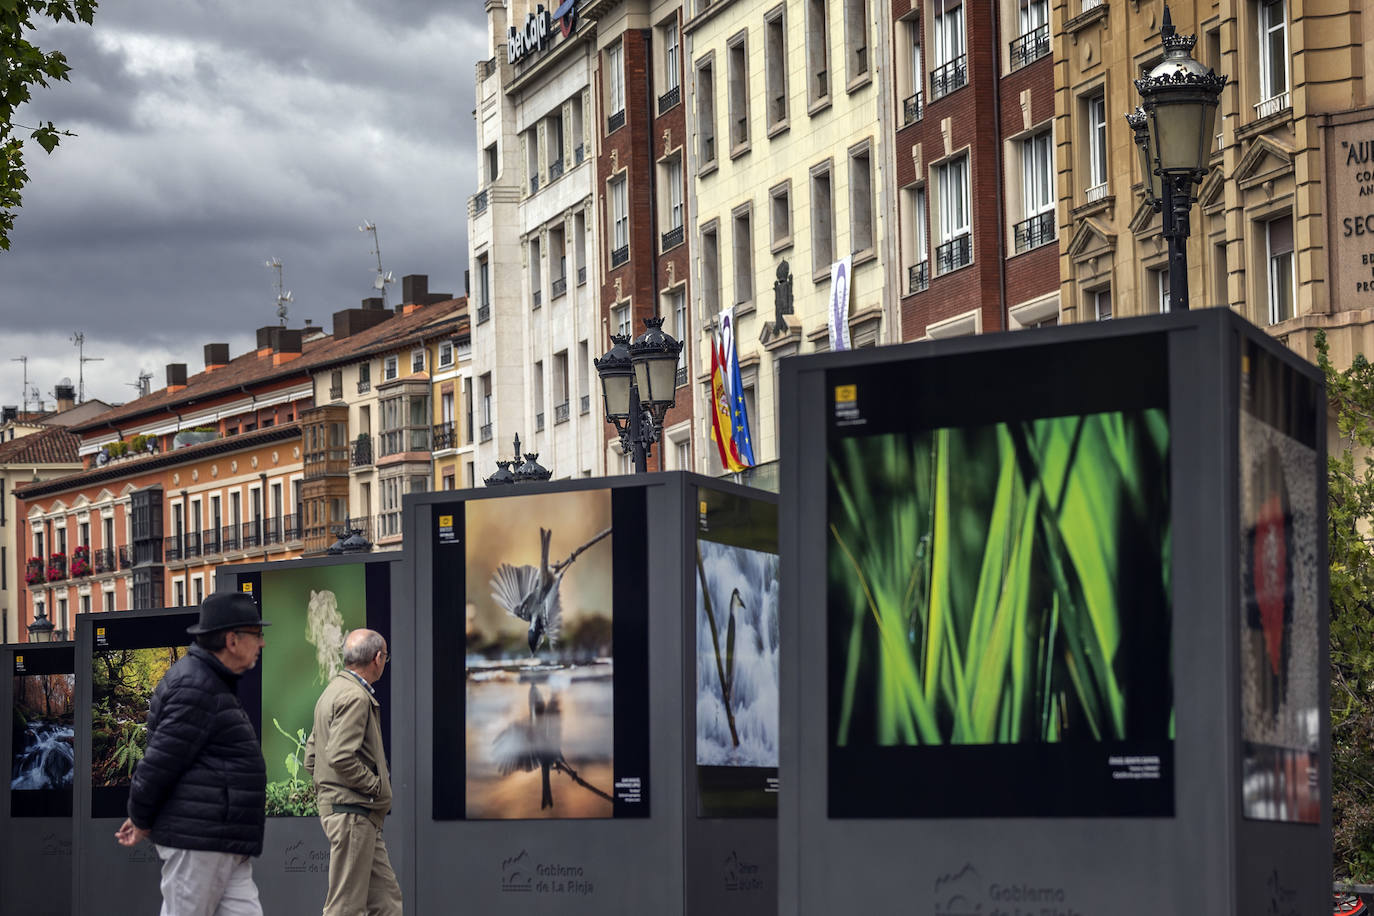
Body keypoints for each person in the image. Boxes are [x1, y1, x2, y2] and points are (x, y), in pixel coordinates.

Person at [115, 592, 271, 916]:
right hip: (198, 841)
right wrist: (141, 817)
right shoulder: (196, 686)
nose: (262, 643)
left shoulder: (209, 682)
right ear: (232, 640)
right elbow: (158, 764)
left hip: (221, 840)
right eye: (257, 634)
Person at [305, 628, 401, 916]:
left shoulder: (331, 692)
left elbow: (312, 757)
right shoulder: (356, 697)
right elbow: (340, 756)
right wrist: (375, 786)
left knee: (386, 902)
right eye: (386, 657)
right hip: (353, 813)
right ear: (377, 658)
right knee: (345, 907)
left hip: (357, 814)